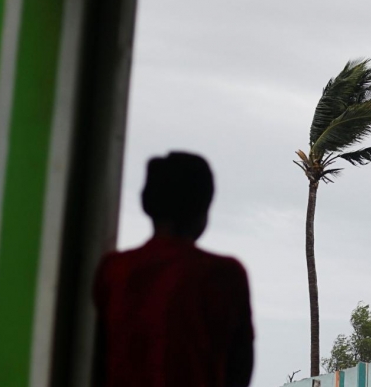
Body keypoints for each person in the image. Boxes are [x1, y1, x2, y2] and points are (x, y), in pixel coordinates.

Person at [93, 152, 254, 387]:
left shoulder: (114, 270)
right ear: (203, 210)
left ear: (148, 204)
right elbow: (240, 369)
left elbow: (97, 359)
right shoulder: (225, 275)